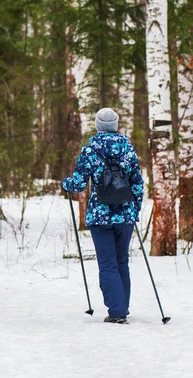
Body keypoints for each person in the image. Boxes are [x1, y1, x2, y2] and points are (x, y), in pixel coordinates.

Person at [62, 107, 144, 324]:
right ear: (116, 125)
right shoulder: (128, 149)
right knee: (122, 261)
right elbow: (137, 183)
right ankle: (122, 307)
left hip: (100, 216)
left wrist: (66, 183)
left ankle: (117, 311)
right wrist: (136, 208)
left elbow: (78, 185)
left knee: (107, 263)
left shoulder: (90, 151)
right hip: (125, 215)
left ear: (98, 126)